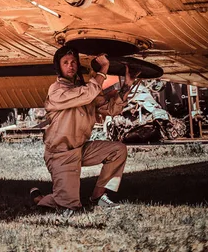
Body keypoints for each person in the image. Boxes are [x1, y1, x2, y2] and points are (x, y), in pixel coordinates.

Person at [30, 45, 136, 212]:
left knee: (118, 150)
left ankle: (98, 197)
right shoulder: (56, 91)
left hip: (81, 149)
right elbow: (87, 94)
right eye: (65, 62)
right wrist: (103, 69)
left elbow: (111, 109)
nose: (70, 65)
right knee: (70, 205)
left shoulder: (86, 89)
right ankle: (39, 199)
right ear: (59, 67)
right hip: (61, 155)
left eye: (73, 62)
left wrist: (127, 86)